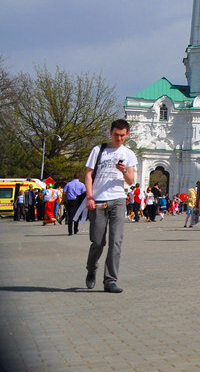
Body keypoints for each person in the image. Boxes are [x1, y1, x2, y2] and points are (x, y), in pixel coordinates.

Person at [84, 119, 137, 293]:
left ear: (127, 134)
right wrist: (90, 196)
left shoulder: (128, 154)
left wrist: (123, 170)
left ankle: (110, 280)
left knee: (116, 242)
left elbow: (131, 180)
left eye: (122, 135)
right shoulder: (98, 150)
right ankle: (91, 269)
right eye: (116, 135)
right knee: (98, 242)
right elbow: (89, 174)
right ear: (110, 132)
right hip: (98, 200)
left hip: (118, 199)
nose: (119, 138)